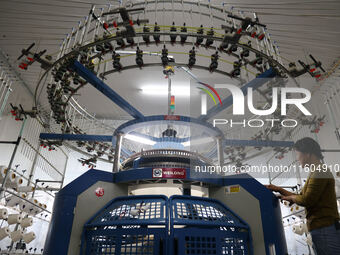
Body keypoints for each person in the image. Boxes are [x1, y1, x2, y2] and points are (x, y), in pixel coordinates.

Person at [265, 137, 340, 255]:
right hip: (321, 229)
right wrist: (279, 189)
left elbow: (306, 199)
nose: (297, 158)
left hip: (324, 229)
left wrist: (290, 198)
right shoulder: (315, 172)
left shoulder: (319, 171)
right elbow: (300, 196)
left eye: (298, 154)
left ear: (308, 154)